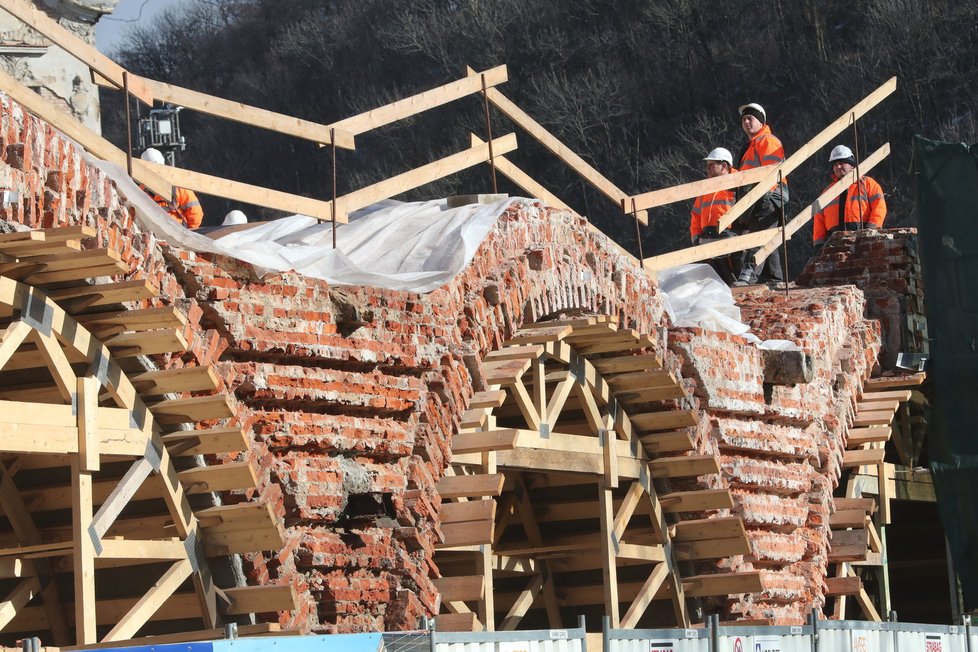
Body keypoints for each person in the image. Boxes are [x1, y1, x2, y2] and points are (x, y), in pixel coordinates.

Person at [732, 102, 789, 286]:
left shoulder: (767, 141)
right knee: (767, 237)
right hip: (757, 198)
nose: (746, 122)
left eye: (750, 118)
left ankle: (747, 279)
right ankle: (774, 279)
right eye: (744, 119)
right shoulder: (751, 146)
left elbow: (774, 169)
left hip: (769, 196)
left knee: (758, 235)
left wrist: (766, 196)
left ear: (760, 121)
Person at [812, 145, 887, 247]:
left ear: (852, 165)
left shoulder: (868, 184)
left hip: (863, 241)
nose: (838, 167)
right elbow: (818, 221)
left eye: (842, 163)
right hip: (834, 245)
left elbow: (880, 208)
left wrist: (871, 230)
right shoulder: (826, 192)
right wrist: (819, 245)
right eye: (835, 164)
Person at [690, 147, 739, 285]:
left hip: (729, 237)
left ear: (724, 166)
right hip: (707, 237)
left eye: (711, 165)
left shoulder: (738, 183)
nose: (708, 168)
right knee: (713, 281)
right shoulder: (706, 187)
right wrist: (695, 236)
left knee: (731, 280)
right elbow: (696, 214)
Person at [139, 148, 204, 229]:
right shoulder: (177, 186)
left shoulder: (141, 190)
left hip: (155, 233)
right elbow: (195, 213)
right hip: (178, 232)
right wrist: (190, 232)